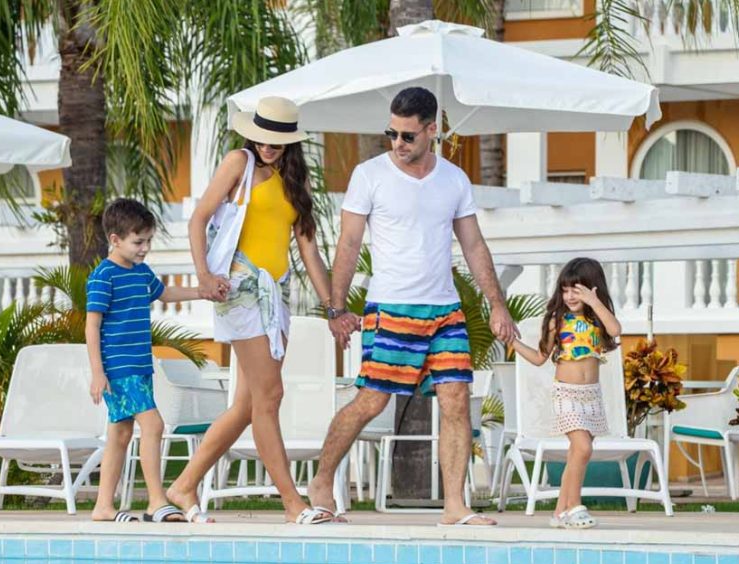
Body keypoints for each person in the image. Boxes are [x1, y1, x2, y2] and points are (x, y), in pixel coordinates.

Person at [307, 86, 517, 526]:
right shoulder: (370, 175)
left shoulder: (453, 179)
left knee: (456, 400)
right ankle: (322, 481)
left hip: (445, 310)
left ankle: (454, 505)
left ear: (431, 130)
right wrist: (336, 309)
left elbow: (474, 245)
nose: (397, 144)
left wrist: (497, 305)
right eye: (392, 134)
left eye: (407, 136)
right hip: (392, 308)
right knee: (372, 401)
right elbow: (348, 244)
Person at [167, 96, 337, 524]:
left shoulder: (296, 182)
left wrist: (334, 308)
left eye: (275, 141)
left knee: (248, 405)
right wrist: (204, 276)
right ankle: (292, 503)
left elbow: (309, 251)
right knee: (270, 396)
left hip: (275, 295)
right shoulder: (237, 163)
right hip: (239, 289)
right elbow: (198, 218)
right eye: (261, 138)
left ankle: (183, 485)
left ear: (290, 142)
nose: (266, 146)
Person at [86, 199, 210, 523]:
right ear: (115, 240)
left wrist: (202, 292)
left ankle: (103, 506)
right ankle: (156, 501)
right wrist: (98, 372)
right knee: (153, 425)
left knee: (120, 434)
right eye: (138, 242)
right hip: (119, 368)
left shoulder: (141, 272)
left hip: (140, 366)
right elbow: (92, 326)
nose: (145, 248)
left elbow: (164, 293)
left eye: (148, 241)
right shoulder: (103, 277)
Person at [510, 257, 621, 529]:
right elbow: (539, 358)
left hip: (592, 395)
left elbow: (616, 330)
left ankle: (560, 512)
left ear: (593, 289)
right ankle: (574, 506)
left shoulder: (597, 318)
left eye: (576, 290)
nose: (570, 296)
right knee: (583, 448)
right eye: (565, 290)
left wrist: (595, 302)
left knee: (576, 455)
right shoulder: (557, 321)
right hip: (567, 394)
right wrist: (512, 342)